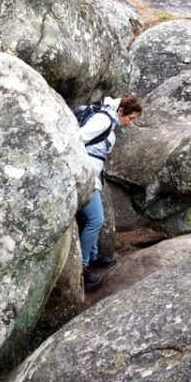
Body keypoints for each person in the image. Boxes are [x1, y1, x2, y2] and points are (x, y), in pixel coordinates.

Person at [78, 94, 142, 291]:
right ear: (121, 111)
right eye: (130, 118)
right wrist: (84, 173)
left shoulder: (109, 122)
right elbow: (78, 139)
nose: (130, 124)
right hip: (83, 174)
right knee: (96, 219)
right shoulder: (102, 120)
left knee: (97, 219)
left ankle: (93, 256)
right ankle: (83, 267)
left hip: (90, 174)